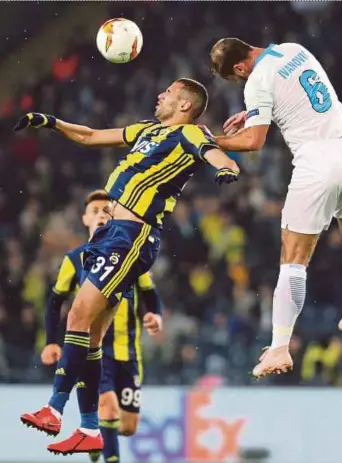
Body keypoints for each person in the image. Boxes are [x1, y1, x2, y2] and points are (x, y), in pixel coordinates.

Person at [16, 78, 240, 455]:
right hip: (111, 234)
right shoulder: (146, 130)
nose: (160, 95)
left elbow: (216, 154)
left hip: (132, 236)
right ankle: (89, 429)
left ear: (184, 104)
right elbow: (89, 136)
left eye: (168, 93)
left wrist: (226, 168)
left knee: (78, 315)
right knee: (92, 337)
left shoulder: (189, 134)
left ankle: (54, 408)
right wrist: (51, 121)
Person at [210, 38, 342, 378]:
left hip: (317, 161)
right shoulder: (293, 49)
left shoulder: (257, 80)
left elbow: (252, 141)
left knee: (293, 259)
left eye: (237, 78)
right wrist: (259, 110)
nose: (242, 82)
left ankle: (278, 348)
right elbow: (300, 94)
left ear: (240, 68)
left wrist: (206, 140)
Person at [40, 189, 163, 463]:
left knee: (127, 426)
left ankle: (96, 436)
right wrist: (51, 340)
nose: (100, 215)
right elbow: (55, 301)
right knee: (108, 408)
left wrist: (155, 315)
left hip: (129, 353)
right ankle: (95, 434)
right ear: (85, 219)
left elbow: (151, 294)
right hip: (98, 351)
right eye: (94, 211)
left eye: (106, 210)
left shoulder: (132, 253)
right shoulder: (75, 258)